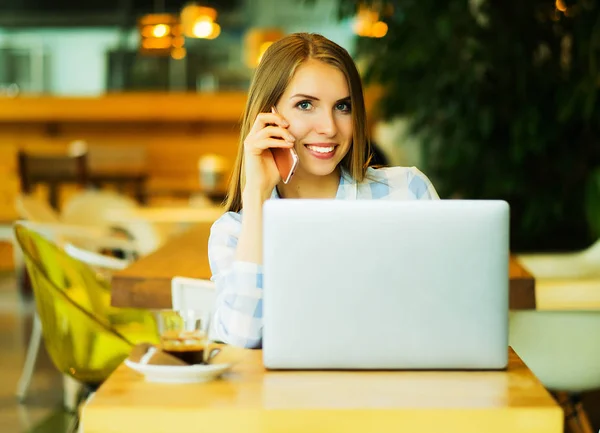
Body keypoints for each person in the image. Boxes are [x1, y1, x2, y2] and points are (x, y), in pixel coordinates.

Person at [208, 33, 439, 349]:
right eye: (306, 105)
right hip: (290, 397)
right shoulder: (234, 234)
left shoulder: (407, 192)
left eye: (342, 106)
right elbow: (242, 337)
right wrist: (256, 195)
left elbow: (446, 312)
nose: (329, 127)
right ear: (268, 116)